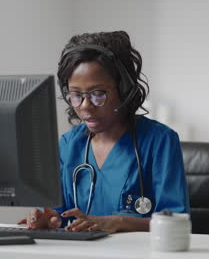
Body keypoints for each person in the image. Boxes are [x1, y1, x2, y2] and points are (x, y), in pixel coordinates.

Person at [18, 31, 190, 233]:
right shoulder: (68, 145)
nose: (85, 106)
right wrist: (47, 218)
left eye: (98, 94)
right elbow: (57, 214)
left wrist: (119, 222)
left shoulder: (160, 142)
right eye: (76, 95)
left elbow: (176, 222)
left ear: (124, 90)